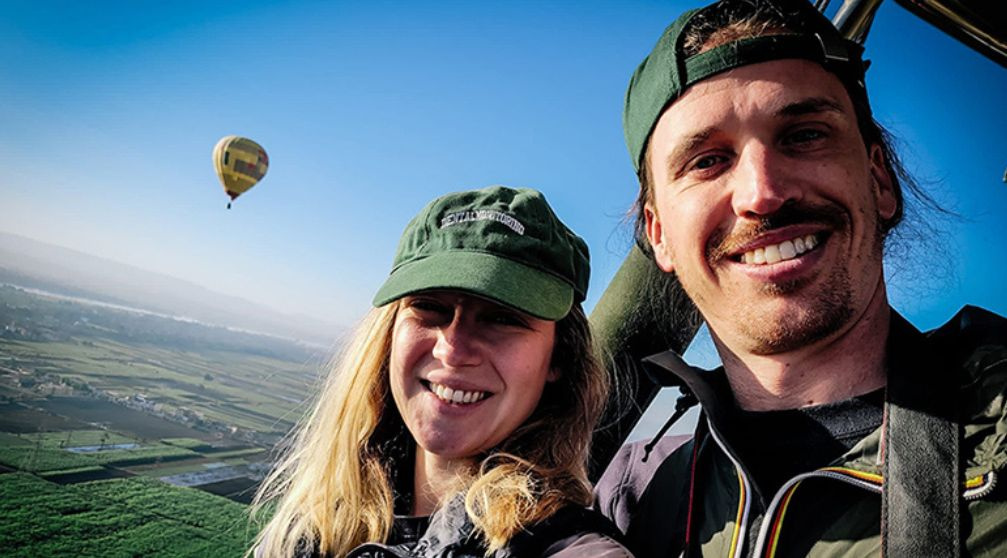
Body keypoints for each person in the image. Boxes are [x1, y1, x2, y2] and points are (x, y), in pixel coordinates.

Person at [592, 0, 1007, 556]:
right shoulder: (630, 497)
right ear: (659, 234)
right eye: (707, 161)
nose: (762, 192)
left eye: (805, 135)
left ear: (879, 180)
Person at [251, 186, 631, 557]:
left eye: (502, 318)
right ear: (388, 334)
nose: (452, 348)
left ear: (559, 359)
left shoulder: (564, 544)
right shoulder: (312, 527)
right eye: (430, 307)